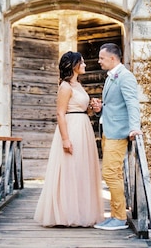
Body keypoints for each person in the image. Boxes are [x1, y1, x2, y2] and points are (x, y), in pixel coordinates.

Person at [34, 51, 104, 227]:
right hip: (71, 128)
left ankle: (80, 212)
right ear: (74, 65)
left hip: (83, 126)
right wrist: (65, 139)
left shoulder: (78, 84)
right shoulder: (65, 87)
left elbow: (80, 108)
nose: (85, 65)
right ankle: (66, 214)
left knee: (80, 169)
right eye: (82, 62)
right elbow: (60, 112)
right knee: (70, 169)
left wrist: (93, 108)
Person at [91, 43, 142, 231]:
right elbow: (114, 105)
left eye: (101, 58)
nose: (99, 61)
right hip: (108, 130)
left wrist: (134, 128)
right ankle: (114, 215)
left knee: (110, 174)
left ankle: (119, 218)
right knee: (113, 174)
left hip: (118, 133)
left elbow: (132, 103)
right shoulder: (111, 77)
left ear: (112, 59)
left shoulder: (125, 77)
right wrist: (100, 108)